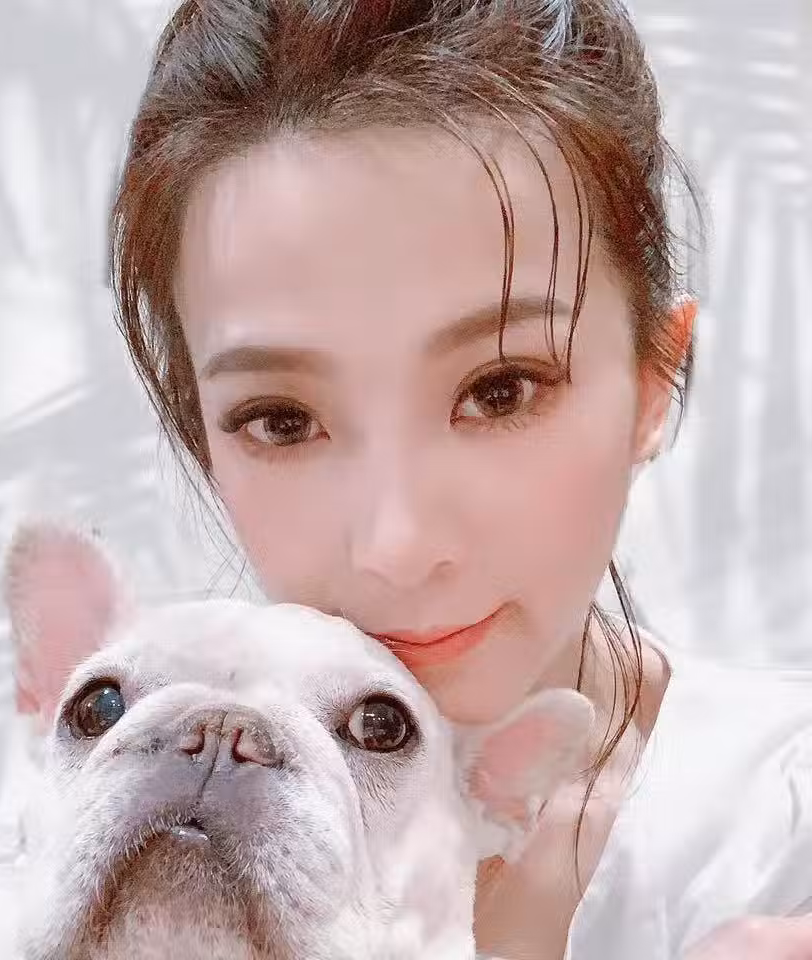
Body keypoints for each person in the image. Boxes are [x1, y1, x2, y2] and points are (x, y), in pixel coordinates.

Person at [108, 1, 812, 956]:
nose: (396, 545)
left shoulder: (782, 831)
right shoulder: (97, 828)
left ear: (655, 379)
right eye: (282, 420)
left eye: (500, 390)